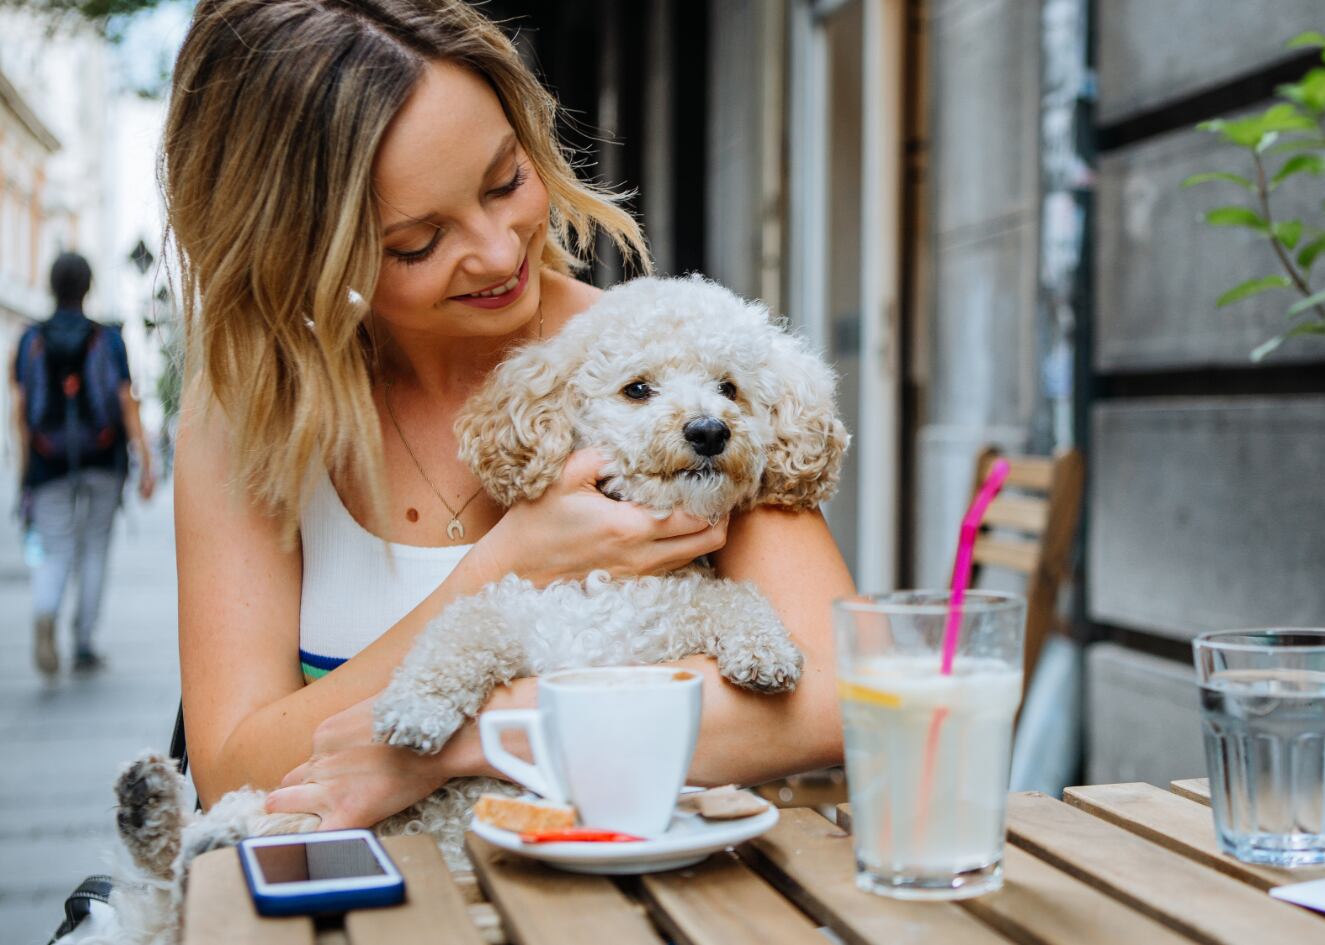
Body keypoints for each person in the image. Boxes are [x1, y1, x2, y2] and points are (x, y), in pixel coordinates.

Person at [164, 0, 851, 830]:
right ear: (297, 250)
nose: (497, 252)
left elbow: (835, 695)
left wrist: (477, 732)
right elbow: (235, 770)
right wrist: (508, 562)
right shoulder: (250, 412)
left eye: (505, 182)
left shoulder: (670, 361)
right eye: (417, 242)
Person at [12, 251, 156, 677]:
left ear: (51, 287)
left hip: (48, 462)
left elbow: (20, 412)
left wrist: (25, 470)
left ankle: (45, 611)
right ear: (88, 287)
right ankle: (84, 642)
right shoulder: (107, 338)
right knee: (95, 547)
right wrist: (145, 460)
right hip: (103, 460)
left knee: (55, 549)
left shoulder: (30, 339)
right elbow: (126, 403)